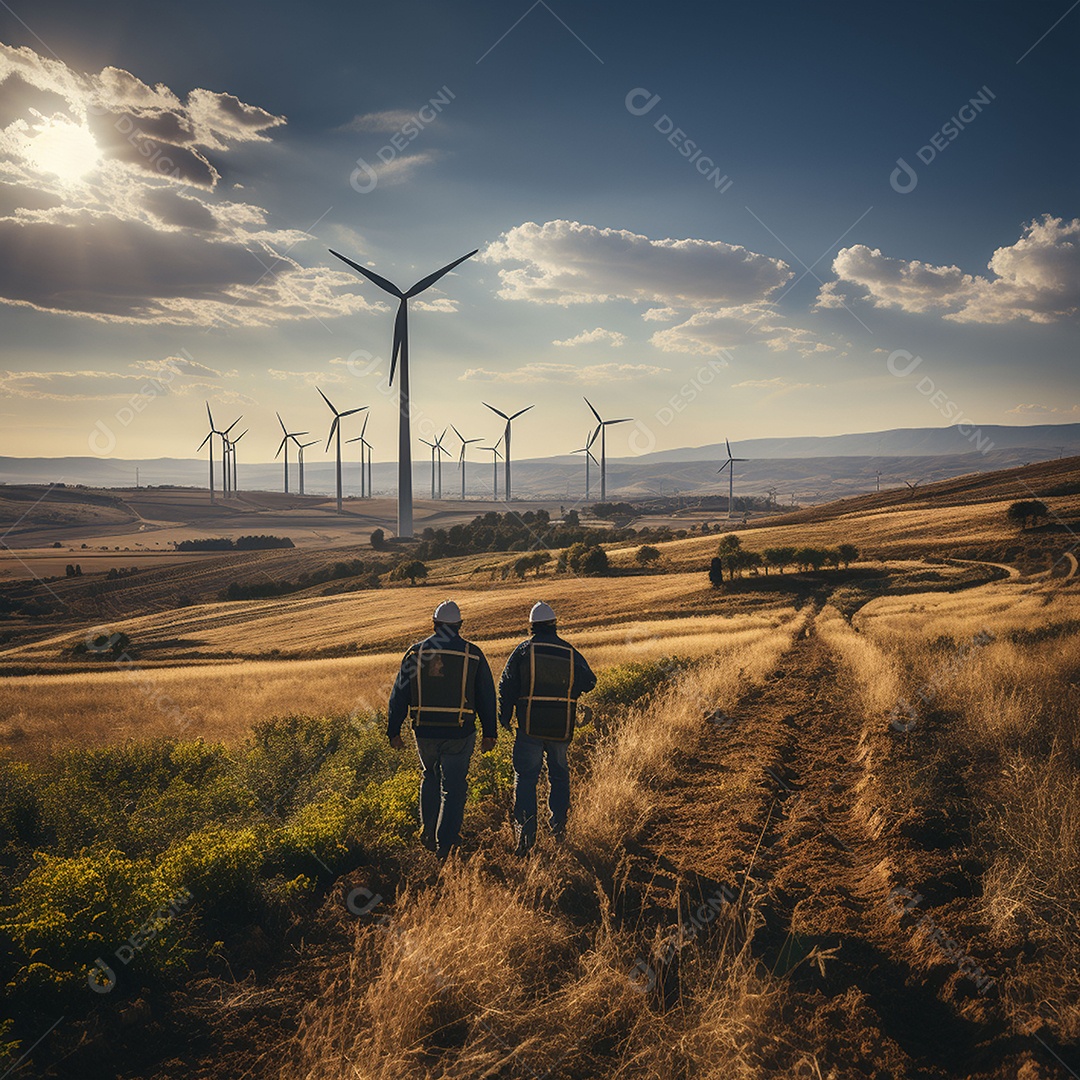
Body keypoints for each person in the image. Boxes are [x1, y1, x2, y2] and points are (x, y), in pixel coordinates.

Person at [388, 599, 497, 857]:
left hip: (424, 731)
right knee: (454, 786)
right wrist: (490, 732)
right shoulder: (473, 654)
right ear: (459, 625)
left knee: (430, 777)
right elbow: (486, 696)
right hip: (460, 732)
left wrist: (394, 730)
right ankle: (446, 842)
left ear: (434, 623)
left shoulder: (415, 653)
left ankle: (428, 834)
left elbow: (398, 694)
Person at [498, 601, 596, 856]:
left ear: (531, 626)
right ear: (554, 624)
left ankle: (526, 838)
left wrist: (505, 717)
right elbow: (590, 681)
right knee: (559, 776)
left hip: (530, 726)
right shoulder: (569, 651)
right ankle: (559, 828)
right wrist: (570, 693)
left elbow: (506, 685)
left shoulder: (523, 650)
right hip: (561, 727)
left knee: (526, 780)